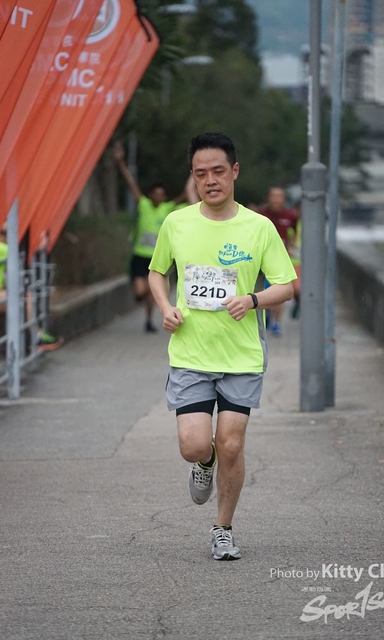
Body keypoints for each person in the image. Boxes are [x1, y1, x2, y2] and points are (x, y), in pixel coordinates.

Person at [148, 132, 296, 560]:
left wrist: (252, 300)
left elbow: (286, 286)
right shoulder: (177, 223)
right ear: (193, 177)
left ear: (234, 171)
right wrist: (165, 307)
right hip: (191, 353)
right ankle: (204, 462)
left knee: (232, 442)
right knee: (194, 445)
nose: (210, 180)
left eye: (217, 171)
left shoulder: (259, 227)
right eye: (201, 174)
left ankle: (223, 528)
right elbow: (157, 272)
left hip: (241, 356)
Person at [113, 141, 192, 332]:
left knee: (152, 292)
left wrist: (195, 173)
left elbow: (187, 194)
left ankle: (148, 321)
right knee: (141, 290)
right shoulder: (144, 205)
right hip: (140, 256)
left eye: (161, 194)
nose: (158, 197)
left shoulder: (169, 208)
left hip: (157, 258)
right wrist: (120, 162)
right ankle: (140, 297)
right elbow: (131, 183)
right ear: (151, 195)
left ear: (165, 197)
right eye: (155, 194)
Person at [0, 224, 63, 350]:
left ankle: (36, 336)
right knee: (25, 297)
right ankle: (36, 336)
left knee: (24, 295)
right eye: (6, 234)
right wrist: (39, 246)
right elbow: (19, 255)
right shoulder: (3, 248)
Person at [258, 187, 298, 336]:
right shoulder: (261, 215)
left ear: (283, 199)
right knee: (265, 290)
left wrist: (292, 246)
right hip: (262, 258)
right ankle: (268, 315)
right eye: (273, 196)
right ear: (268, 198)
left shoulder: (290, 216)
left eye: (279, 196)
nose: (276, 200)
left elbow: (295, 230)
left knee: (281, 288)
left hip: (282, 257)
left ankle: (276, 322)